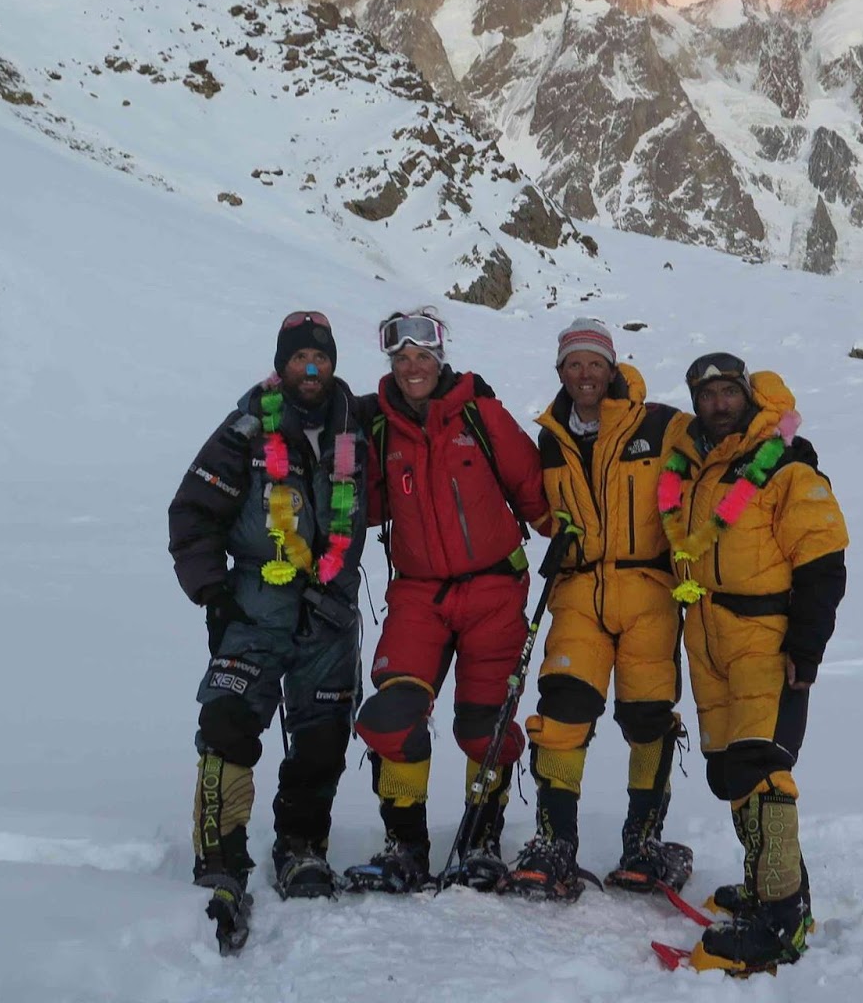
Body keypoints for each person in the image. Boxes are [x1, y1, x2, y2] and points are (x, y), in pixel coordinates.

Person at [167, 310, 370, 939]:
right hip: (256, 605)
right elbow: (192, 511)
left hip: (329, 607)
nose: (311, 369)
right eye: (300, 358)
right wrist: (211, 591)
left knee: (323, 733)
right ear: (282, 363)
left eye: (321, 358)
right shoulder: (246, 430)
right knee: (227, 724)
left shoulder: (356, 426)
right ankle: (220, 857)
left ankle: (300, 845)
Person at [349, 307, 551, 893]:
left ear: (441, 359)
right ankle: (405, 846)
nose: (414, 367)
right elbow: (365, 509)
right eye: (402, 358)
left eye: (424, 356)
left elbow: (533, 491)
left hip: (494, 589)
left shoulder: (482, 417)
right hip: (417, 595)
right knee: (391, 717)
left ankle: (480, 844)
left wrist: (565, 537)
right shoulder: (380, 430)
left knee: (483, 727)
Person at [658, 352, 848, 974]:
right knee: (732, 772)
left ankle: (781, 922)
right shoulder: (697, 468)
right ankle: (773, 884)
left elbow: (822, 562)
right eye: (705, 394)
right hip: (708, 635)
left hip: (766, 635)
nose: (717, 404)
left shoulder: (788, 466)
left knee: (763, 768)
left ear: (747, 394)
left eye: (727, 392)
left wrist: (806, 648)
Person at [499, 319, 688, 901]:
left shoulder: (660, 425)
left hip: (648, 590)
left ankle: (644, 842)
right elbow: (537, 503)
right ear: (561, 372)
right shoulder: (550, 438)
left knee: (648, 718)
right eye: (574, 364)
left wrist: (784, 440)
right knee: (562, 712)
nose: (585, 374)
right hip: (578, 591)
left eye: (594, 363)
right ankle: (556, 842)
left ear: (612, 368)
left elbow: (718, 454)